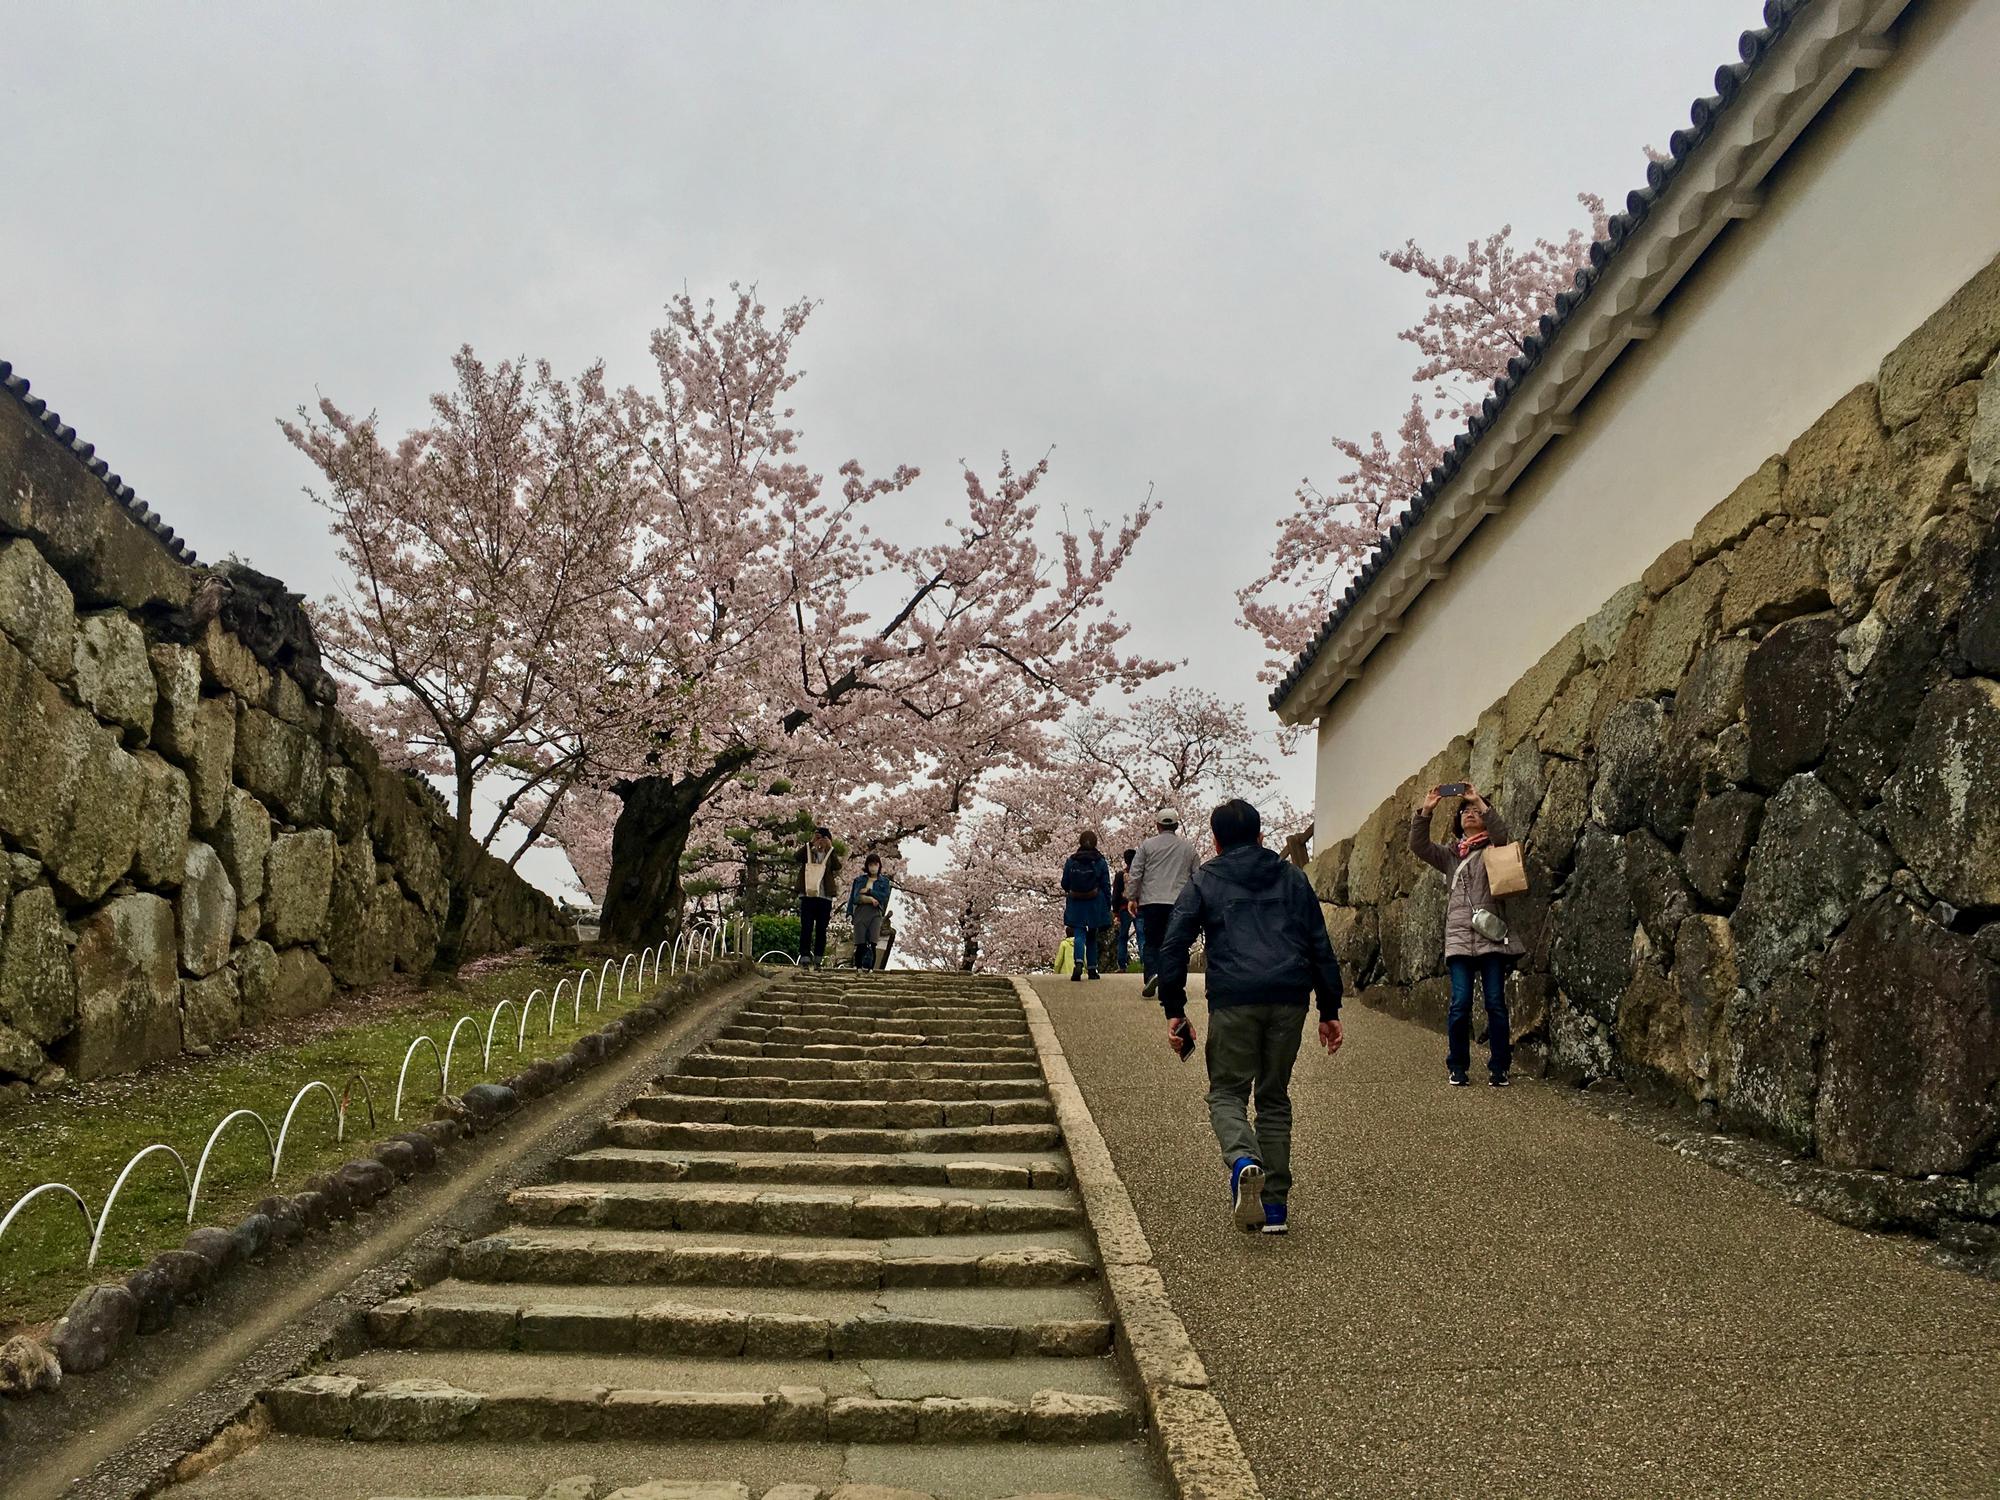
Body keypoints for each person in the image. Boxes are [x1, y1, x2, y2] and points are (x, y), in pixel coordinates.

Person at [1156, 799, 1343, 1235]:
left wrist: (1175, 1009)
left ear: (1216, 843)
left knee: (1226, 1093)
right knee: (1274, 1098)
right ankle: (1275, 1208)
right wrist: (1329, 1008)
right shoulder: (1292, 877)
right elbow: (1319, 944)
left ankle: (1244, 1160)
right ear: (1262, 836)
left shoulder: (1205, 879)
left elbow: (1173, 944)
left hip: (1234, 998)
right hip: (1289, 998)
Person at [1409, 783, 1522, 1088]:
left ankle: (1500, 1066)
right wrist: (1427, 810)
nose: (1470, 814)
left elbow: (1503, 833)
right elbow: (1419, 846)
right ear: (1458, 821)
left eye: (1475, 812)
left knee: (1495, 1003)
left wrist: (1478, 800)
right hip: (1459, 938)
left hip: (1491, 938)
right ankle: (1457, 1065)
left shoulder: (1494, 849)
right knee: (1459, 1005)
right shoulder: (1449, 855)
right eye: (1465, 812)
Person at [1130, 809, 1199, 995]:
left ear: (1158, 825)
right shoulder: (1188, 848)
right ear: (1176, 826)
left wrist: (1132, 897)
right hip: (1179, 902)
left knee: (1152, 942)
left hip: (1152, 901)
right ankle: (1174, 981)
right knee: (1177, 942)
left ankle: (1152, 974)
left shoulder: (1147, 846)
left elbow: (1136, 873)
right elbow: (1197, 876)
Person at [1059, 830, 1113, 982]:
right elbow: (1106, 884)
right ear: (1095, 843)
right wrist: (1107, 904)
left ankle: (1078, 962)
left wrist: (1073, 890)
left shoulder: (1072, 860)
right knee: (1092, 935)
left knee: (1079, 933)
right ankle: (1092, 969)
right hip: (1095, 902)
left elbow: (1064, 883)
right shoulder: (1100, 861)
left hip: (1076, 902)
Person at [793, 826, 842, 968]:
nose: (820, 841)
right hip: (808, 895)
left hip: (824, 897)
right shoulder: (809, 851)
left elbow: (837, 866)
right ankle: (805, 955)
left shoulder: (830, 855)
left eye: (823, 838)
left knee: (821, 929)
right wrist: (809, 843)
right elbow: (796, 857)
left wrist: (831, 848)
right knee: (806, 927)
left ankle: (818, 958)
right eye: (818, 837)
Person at [847, 853, 893, 971]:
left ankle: (870, 968)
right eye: (871, 864)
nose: (873, 867)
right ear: (867, 866)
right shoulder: (859, 880)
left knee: (873, 941)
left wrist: (869, 891)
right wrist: (850, 913)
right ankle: (858, 966)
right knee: (860, 941)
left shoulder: (884, 882)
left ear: (879, 865)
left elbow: (883, 897)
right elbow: (855, 897)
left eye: (875, 864)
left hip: (875, 912)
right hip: (861, 912)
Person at [1108, 849, 1136, 974]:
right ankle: (1147, 963)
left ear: (1125, 860)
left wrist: (1115, 911)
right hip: (1140, 908)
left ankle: (1122, 965)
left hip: (1124, 909)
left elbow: (1115, 895)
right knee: (1142, 935)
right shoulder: (1140, 874)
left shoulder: (1120, 875)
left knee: (1122, 937)